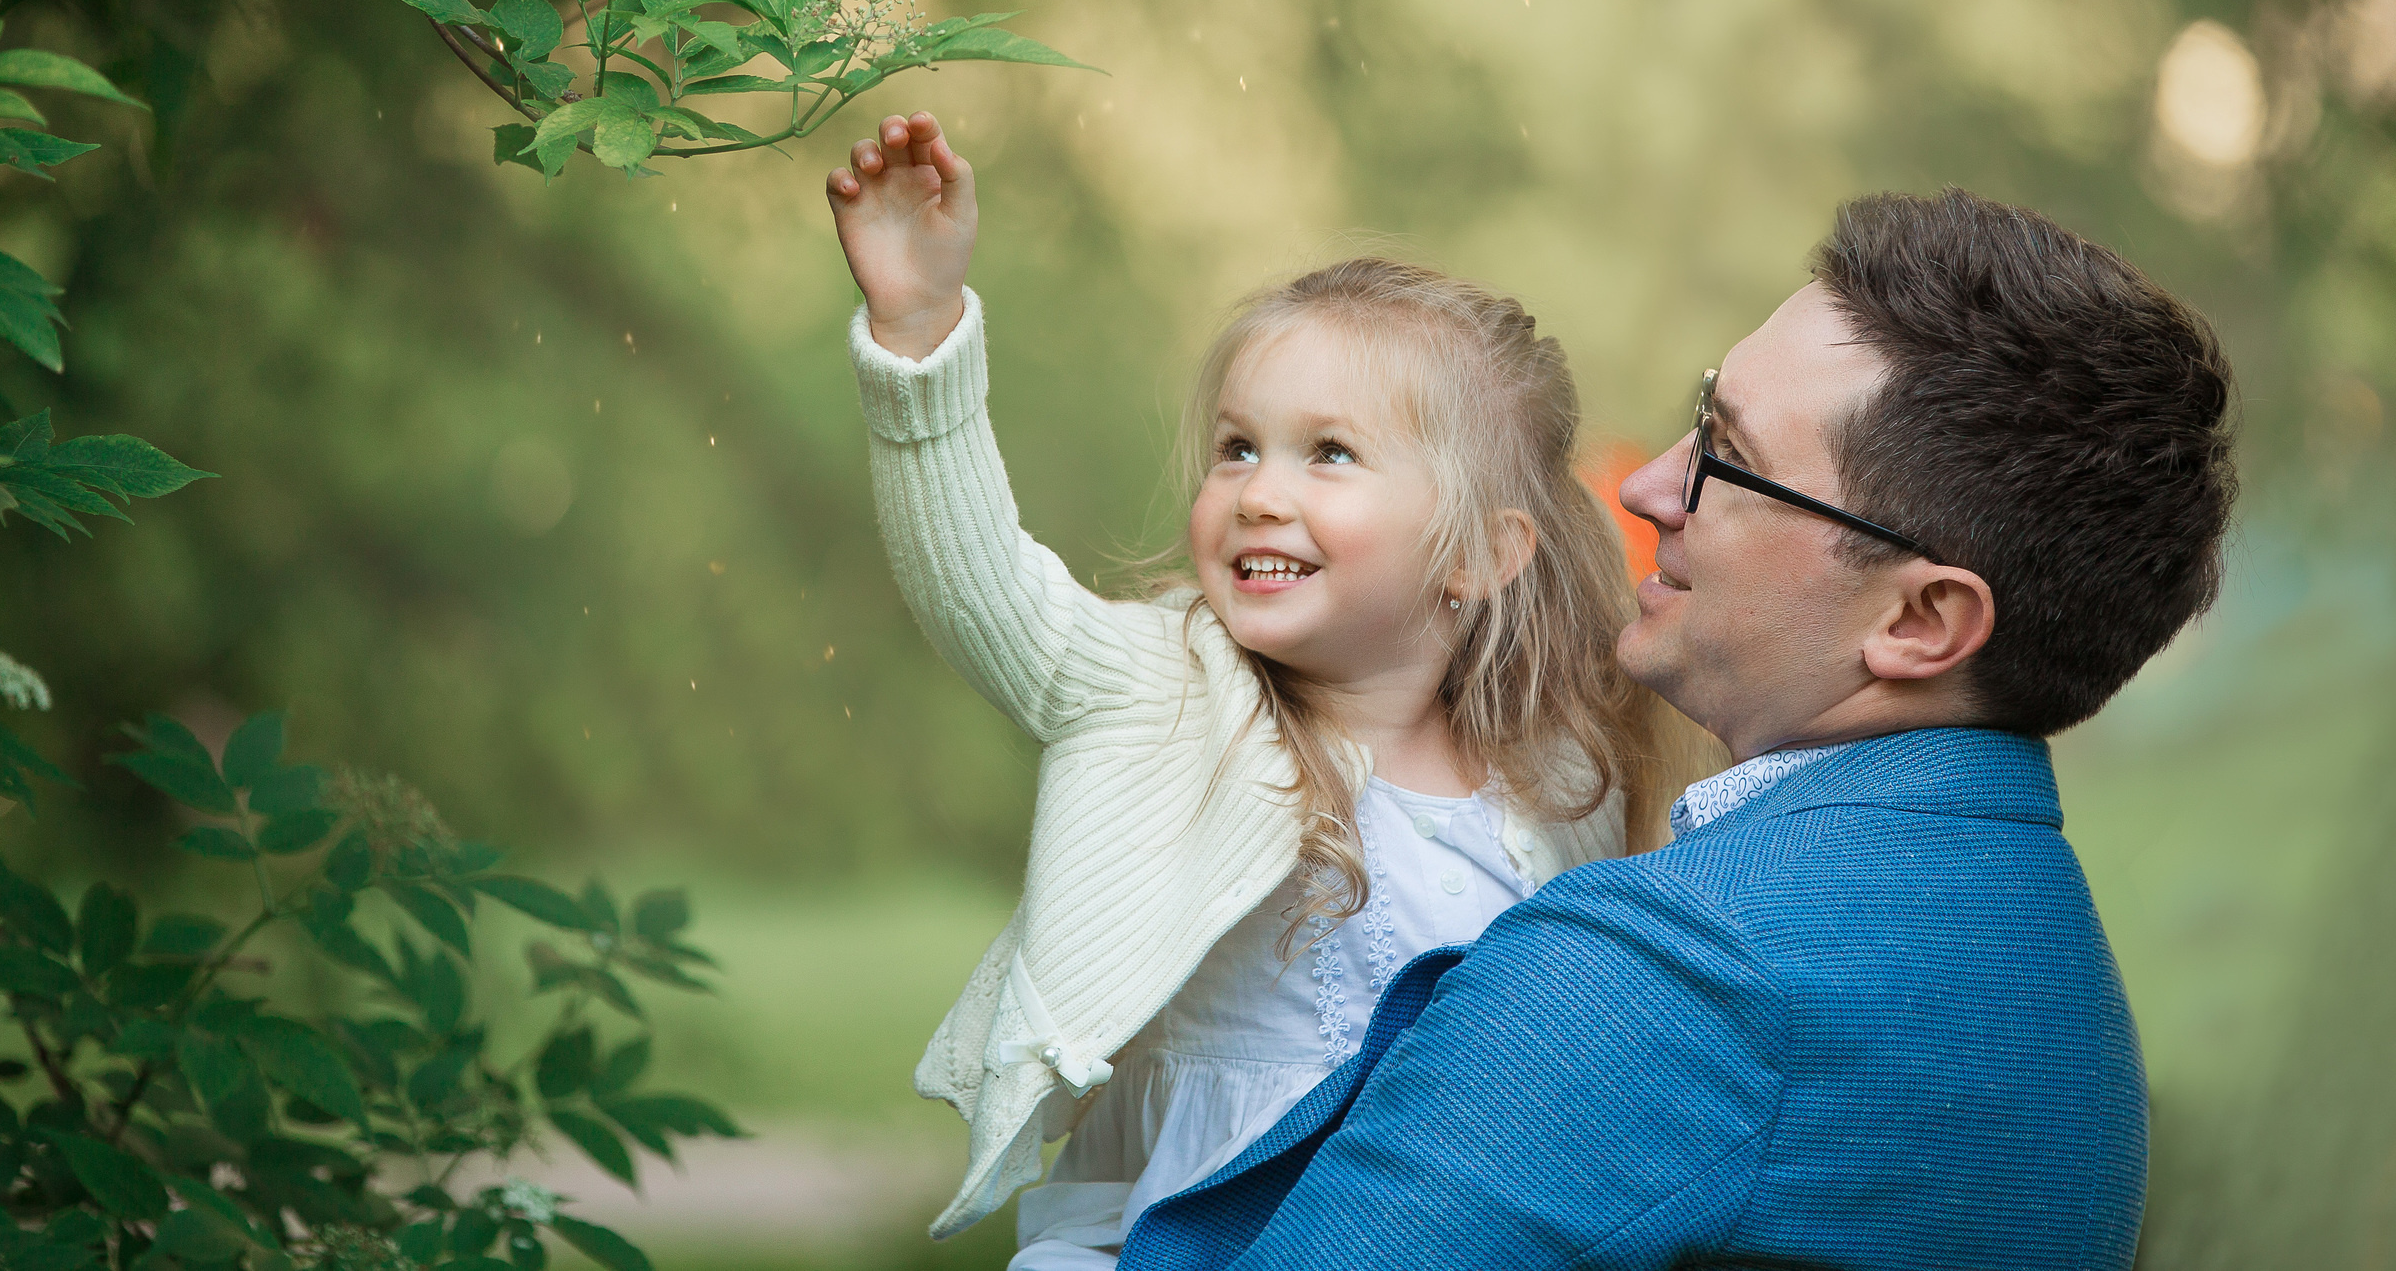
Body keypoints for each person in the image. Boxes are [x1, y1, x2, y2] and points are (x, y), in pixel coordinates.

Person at [1120, 187, 2237, 1271]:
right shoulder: (2052, 973)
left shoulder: (1680, 973)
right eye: (1698, 417)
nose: (1652, 485)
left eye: (1728, 457)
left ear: (1918, 619)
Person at [824, 111, 1687, 1259]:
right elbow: (979, 587)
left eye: (1328, 454)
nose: (1260, 491)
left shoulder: (1555, 784)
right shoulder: (1160, 690)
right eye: (1238, 446)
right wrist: (918, 328)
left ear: (1481, 555)